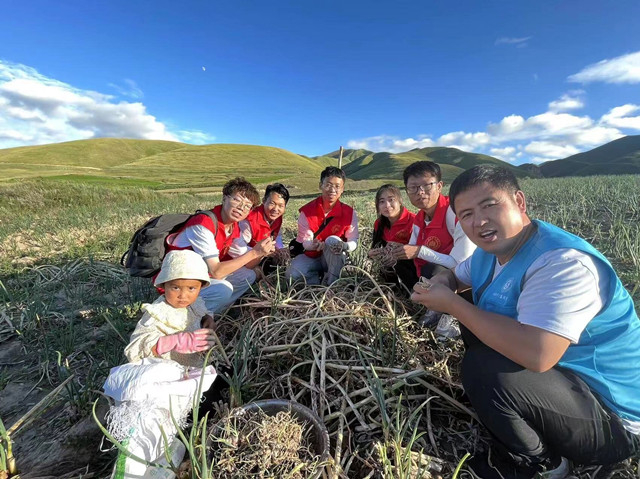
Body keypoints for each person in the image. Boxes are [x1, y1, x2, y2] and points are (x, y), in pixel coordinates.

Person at [411, 165, 640, 479]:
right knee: (470, 309)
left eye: (489, 205)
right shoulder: (488, 253)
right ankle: (515, 412)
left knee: (483, 368)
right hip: (564, 387)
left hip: (611, 419)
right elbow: (455, 274)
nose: (479, 221)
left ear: (519, 201)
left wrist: (449, 303)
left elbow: (538, 355)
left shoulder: (562, 262)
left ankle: (543, 463)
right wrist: (440, 284)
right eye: (466, 215)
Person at [165, 177, 275, 312]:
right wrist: (255, 252)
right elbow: (216, 271)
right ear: (224, 199)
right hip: (180, 283)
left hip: (201, 277)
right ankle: (189, 315)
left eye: (247, 206)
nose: (241, 208)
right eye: (236, 200)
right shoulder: (203, 224)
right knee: (223, 289)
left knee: (248, 275)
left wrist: (262, 253)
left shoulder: (233, 227)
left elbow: (248, 263)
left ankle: (212, 312)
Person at [125, 249, 216, 368]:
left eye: (191, 288)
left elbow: (203, 313)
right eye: (175, 288)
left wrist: (207, 320)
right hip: (166, 370)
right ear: (164, 285)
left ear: (201, 287)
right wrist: (173, 342)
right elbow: (135, 348)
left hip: (195, 367)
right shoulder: (157, 313)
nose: (183, 296)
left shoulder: (195, 305)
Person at [287, 166, 359, 285]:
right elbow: (306, 241)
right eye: (328, 185)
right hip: (312, 256)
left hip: (334, 258)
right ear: (320, 185)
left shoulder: (349, 213)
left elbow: (353, 241)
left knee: (333, 241)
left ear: (342, 189)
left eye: (337, 186)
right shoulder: (307, 212)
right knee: (292, 274)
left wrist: (344, 245)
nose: (332, 190)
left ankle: (332, 285)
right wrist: (313, 245)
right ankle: (318, 281)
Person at [367, 184, 417, 290]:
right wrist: (372, 254)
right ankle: (392, 291)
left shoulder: (414, 221)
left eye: (391, 200)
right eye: (382, 201)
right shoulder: (379, 223)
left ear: (400, 201)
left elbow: (421, 252)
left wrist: (399, 253)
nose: (387, 205)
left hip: (412, 268)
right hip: (389, 268)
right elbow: (376, 246)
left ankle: (411, 294)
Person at [239, 183, 290, 275]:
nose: (276, 209)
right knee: (256, 274)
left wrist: (279, 249)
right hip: (244, 259)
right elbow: (238, 248)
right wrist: (262, 252)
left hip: (261, 256)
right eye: (272, 203)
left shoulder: (277, 218)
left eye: (281, 206)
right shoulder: (249, 220)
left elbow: (277, 235)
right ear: (264, 201)